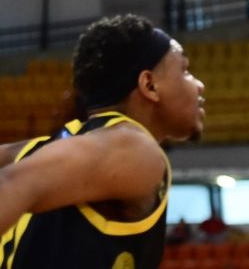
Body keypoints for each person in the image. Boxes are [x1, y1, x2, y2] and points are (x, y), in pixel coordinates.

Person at [0, 14, 206, 268]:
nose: (199, 85)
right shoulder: (135, 149)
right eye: (185, 70)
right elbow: (11, 184)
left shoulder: (40, 148)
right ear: (149, 85)